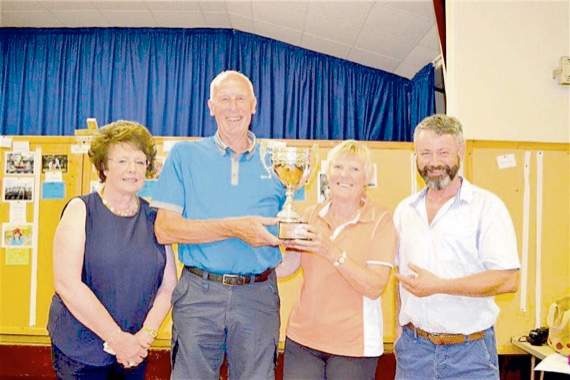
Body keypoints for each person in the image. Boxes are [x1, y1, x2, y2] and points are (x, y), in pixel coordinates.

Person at [151, 70, 285, 380]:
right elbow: (165, 229)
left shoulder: (278, 160)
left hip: (258, 296)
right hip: (199, 293)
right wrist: (234, 227)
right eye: (225, 99)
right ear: (211, 106)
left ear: (254, 105)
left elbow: (285, 228)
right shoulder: (184, 156)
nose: (233, 107)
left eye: (241, 99)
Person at [393, 114, 520, 380]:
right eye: (425, 153)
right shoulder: (405, 211)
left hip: (470, 355)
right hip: (414, 353)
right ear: (415, 155)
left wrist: (439, 286)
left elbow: (508, 279)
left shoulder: (487, 207)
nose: (434, 162)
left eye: (443, 152)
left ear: (460, 152)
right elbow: (399, 278)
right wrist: (398, 330)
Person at [47, 120, 177, 379]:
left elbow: (169, 284)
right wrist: (118, 339)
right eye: (122, 161)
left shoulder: (154, 216)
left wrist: (144, 337)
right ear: (104, 167)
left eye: (140, 162)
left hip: (134, 349)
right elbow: (67, 284)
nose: (133, 169)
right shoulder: (80, 210)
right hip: (81, 350)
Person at [278, 140, 397, 380]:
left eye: (354, 169)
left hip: (353, 346)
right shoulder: (311, 215)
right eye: (338, 167)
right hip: (303, 340)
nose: (345, 175)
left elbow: (374, 287)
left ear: (367, 177)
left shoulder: (381, 221)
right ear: (327, 173)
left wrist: (332, 251)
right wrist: (265, 244)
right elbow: (287, 266)